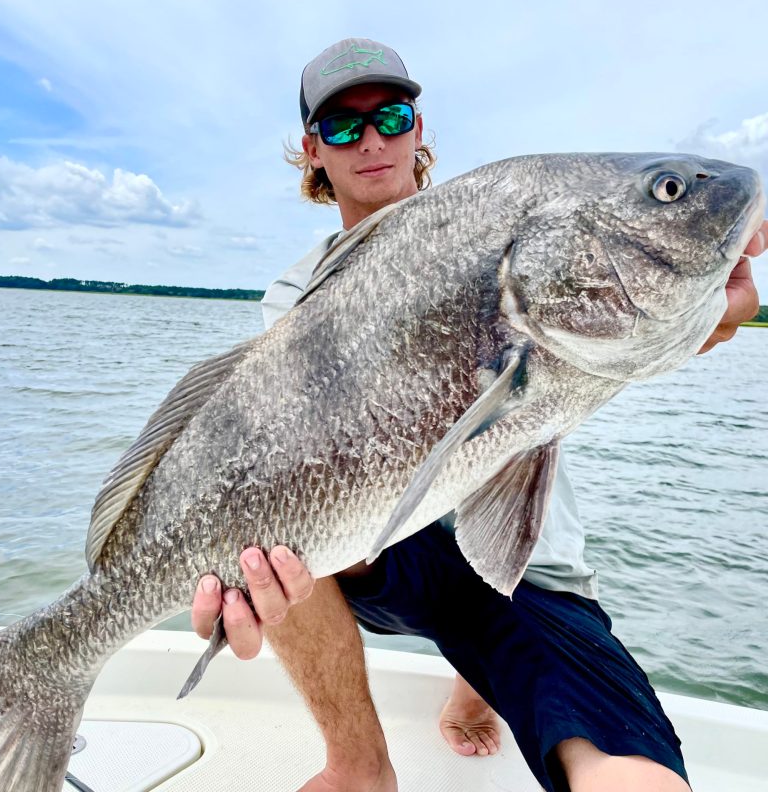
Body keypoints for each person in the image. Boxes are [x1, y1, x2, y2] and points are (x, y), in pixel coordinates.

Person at [192, 38, 767, 792]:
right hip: (381, 549)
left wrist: (688, 318)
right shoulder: (296, 297)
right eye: (342, 126)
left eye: (391, 116)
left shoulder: (506, 218)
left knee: (629, 776)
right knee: (274, 535)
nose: (371, 139)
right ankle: (359, 767)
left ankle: (478, 672)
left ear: (418, 130)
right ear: (312, 151)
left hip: (527, 560)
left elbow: (590, 335)